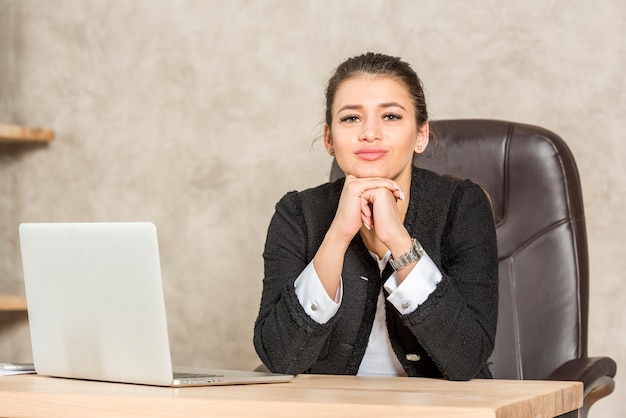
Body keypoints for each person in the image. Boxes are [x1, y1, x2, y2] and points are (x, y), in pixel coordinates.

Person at [253, 52, 498, 380]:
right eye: (351, 118)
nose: (370, 133)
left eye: (391, 117)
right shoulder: (296, 214)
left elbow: (467, 359)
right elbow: (281, 358)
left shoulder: (462, 206)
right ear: (329, 138)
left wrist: (397, 239)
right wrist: (337, 236)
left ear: (420, 135)